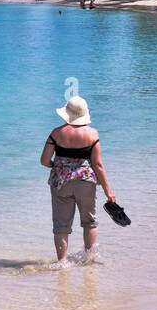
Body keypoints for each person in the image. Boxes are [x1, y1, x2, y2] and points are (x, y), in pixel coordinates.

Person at [40, 96, 116, 265]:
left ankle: (62, 262)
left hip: (61, 183)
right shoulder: (92, 134)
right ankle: (89, 258)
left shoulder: (56, 133)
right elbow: (97, 164)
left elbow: (44, 160)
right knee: (89, 221)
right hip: (86, 182)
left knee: (61, 226)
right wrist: (108, 191)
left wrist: (57, 166)